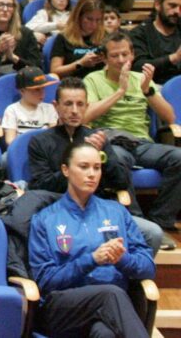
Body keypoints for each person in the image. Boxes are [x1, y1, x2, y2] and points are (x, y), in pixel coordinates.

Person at [26, 77, 167, 251]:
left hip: (98, 210)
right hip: (59, 210)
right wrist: (78, 160)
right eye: (68, 104)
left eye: (80, 104)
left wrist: (102, 155)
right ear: (56, 106)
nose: (74, 110)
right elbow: (41, 185)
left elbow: (121, 181)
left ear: (87, 106)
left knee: (153, 233)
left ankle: (127, 277)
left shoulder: (98, 139)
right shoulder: (40, 141)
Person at [29, 143, 155, 337]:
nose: (92, 174)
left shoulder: (116, 212)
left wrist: (122, 259)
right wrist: (92, 259)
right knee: (110, 294)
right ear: (65, 170)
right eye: (84, 166)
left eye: (97, 168)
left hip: (111, 307)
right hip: (62, 309)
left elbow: (148, 266)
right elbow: (45, 281)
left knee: (105, 334)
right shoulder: (45, 219)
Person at [84, 31, 180, 232]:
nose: (120, 60)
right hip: (112, 142)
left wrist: (147, 90)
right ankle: (136, 223)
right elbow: (85, 117)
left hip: (141, 143)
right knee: (117, 160)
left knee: (179, 157)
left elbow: (170, 117)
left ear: (132, 54)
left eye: (124, 55)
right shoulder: (93, 79)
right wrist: (119, 92)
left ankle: (161, 220)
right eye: (114, 56)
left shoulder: (141, 79)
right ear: (105, 58)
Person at [131, 0, 181, 85]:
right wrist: (174, 58)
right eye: (172, 5)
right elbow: (138, 67)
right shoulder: (139, 33)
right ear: (157, 5)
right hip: (152, 88)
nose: (177, 11)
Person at [0, 66, 58, 144]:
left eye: (43, 88)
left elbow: (54, 137)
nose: (42, 93)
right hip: (21, 151)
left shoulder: (49, 108)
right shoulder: (12, 110)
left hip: (45, 151)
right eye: (37, 89)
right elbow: (10, 141)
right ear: (22, 91)